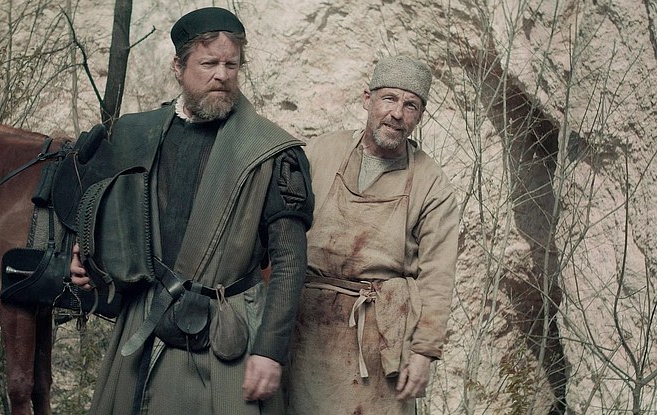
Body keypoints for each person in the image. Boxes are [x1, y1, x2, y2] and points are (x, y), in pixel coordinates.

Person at [70, 7, 313, 415]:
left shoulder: (271, 152)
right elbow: (109, 219)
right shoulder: (139, 134)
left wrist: (270, 350)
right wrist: (86, 258)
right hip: (145, 322)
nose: (222, 75)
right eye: (209, 63)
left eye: (231, 65)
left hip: (228, 331)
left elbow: (290, 261)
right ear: (178, 67)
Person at [285, 55, 459, 414]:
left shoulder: (431, 183)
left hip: (381, 341)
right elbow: (281, 233)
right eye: (389, 99)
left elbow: (438, 276)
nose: (397, 113)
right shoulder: (322, 152)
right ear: (368, 99)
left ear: (420, 116)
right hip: (308, 331)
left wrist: (424, 352)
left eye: (410, 105)